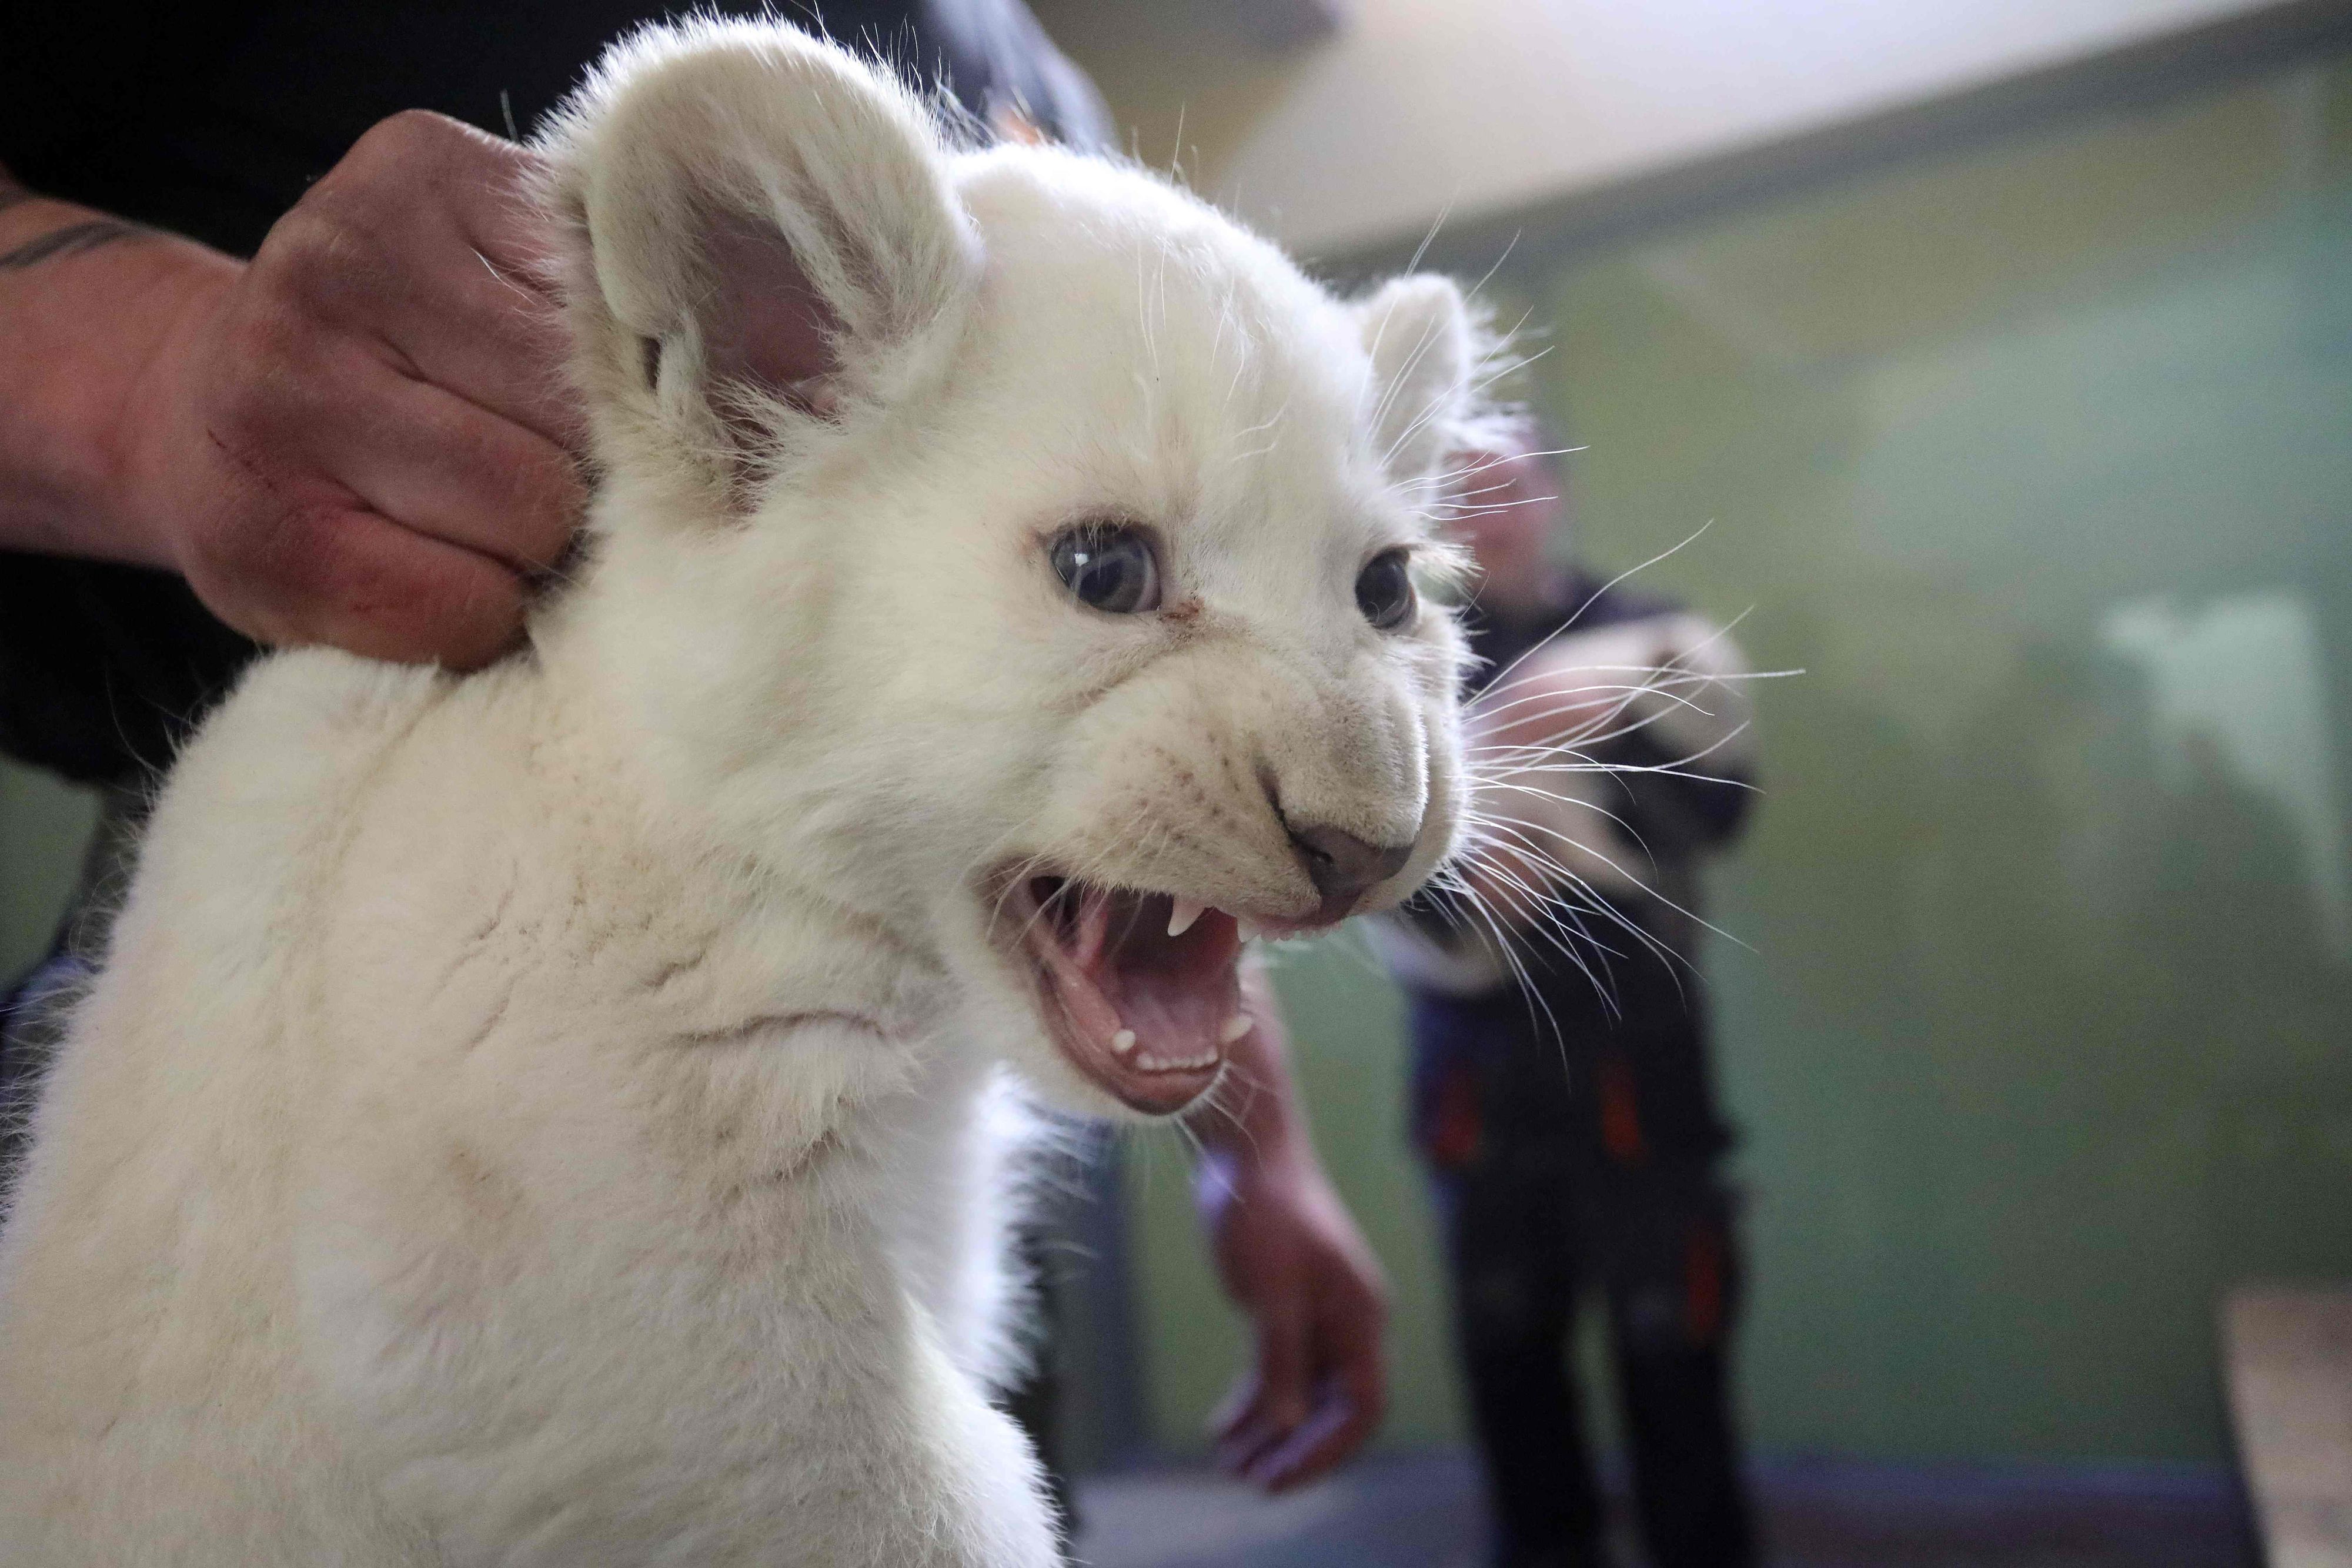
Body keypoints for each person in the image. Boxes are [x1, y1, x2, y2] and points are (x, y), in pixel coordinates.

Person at [0, 0, 1384, 1509]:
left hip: (930, 1046)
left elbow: (1153, 743)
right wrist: (156, 377)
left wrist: (1260, 1143)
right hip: (348, 917)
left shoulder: (1034, 81)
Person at [1372, 429, 1761, 1567]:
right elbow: (1374, 875)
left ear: (1553, 492)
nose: (1489, 512)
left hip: (1641, 1065)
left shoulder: (1652, 640)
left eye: (1508, 485)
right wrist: (1459, 875)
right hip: (1476, 1074)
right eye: (1461, 494)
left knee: (1672, 1356)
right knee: (1509, 1363)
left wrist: (1595, 721)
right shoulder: (1400, 664)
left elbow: (1721, 812)